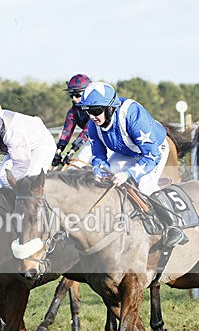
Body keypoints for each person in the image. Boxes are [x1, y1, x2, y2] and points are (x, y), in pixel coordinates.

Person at [78, 81, 187, 247]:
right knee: (104, 183)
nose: (92, 116)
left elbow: (151, 156)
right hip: (127, 152)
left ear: (109, 108)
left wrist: (128, 174)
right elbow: (99, 157)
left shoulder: (132, 114)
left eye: (95, 110)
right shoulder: (94, 125)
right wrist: (98, 174)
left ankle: (173, 226)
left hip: (154, 150)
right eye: (87, 111)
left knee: (143, 185)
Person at [52, 74, 93, 168]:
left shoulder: (95, 109)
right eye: (71, 95)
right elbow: (66, 132)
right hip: (94, 139)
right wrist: (58, 151)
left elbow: (87, 130)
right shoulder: (73, 111)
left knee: (76, 166)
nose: (74, 99)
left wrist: (73, 150)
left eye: (77, 95)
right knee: (73, 167)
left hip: (108, 138)